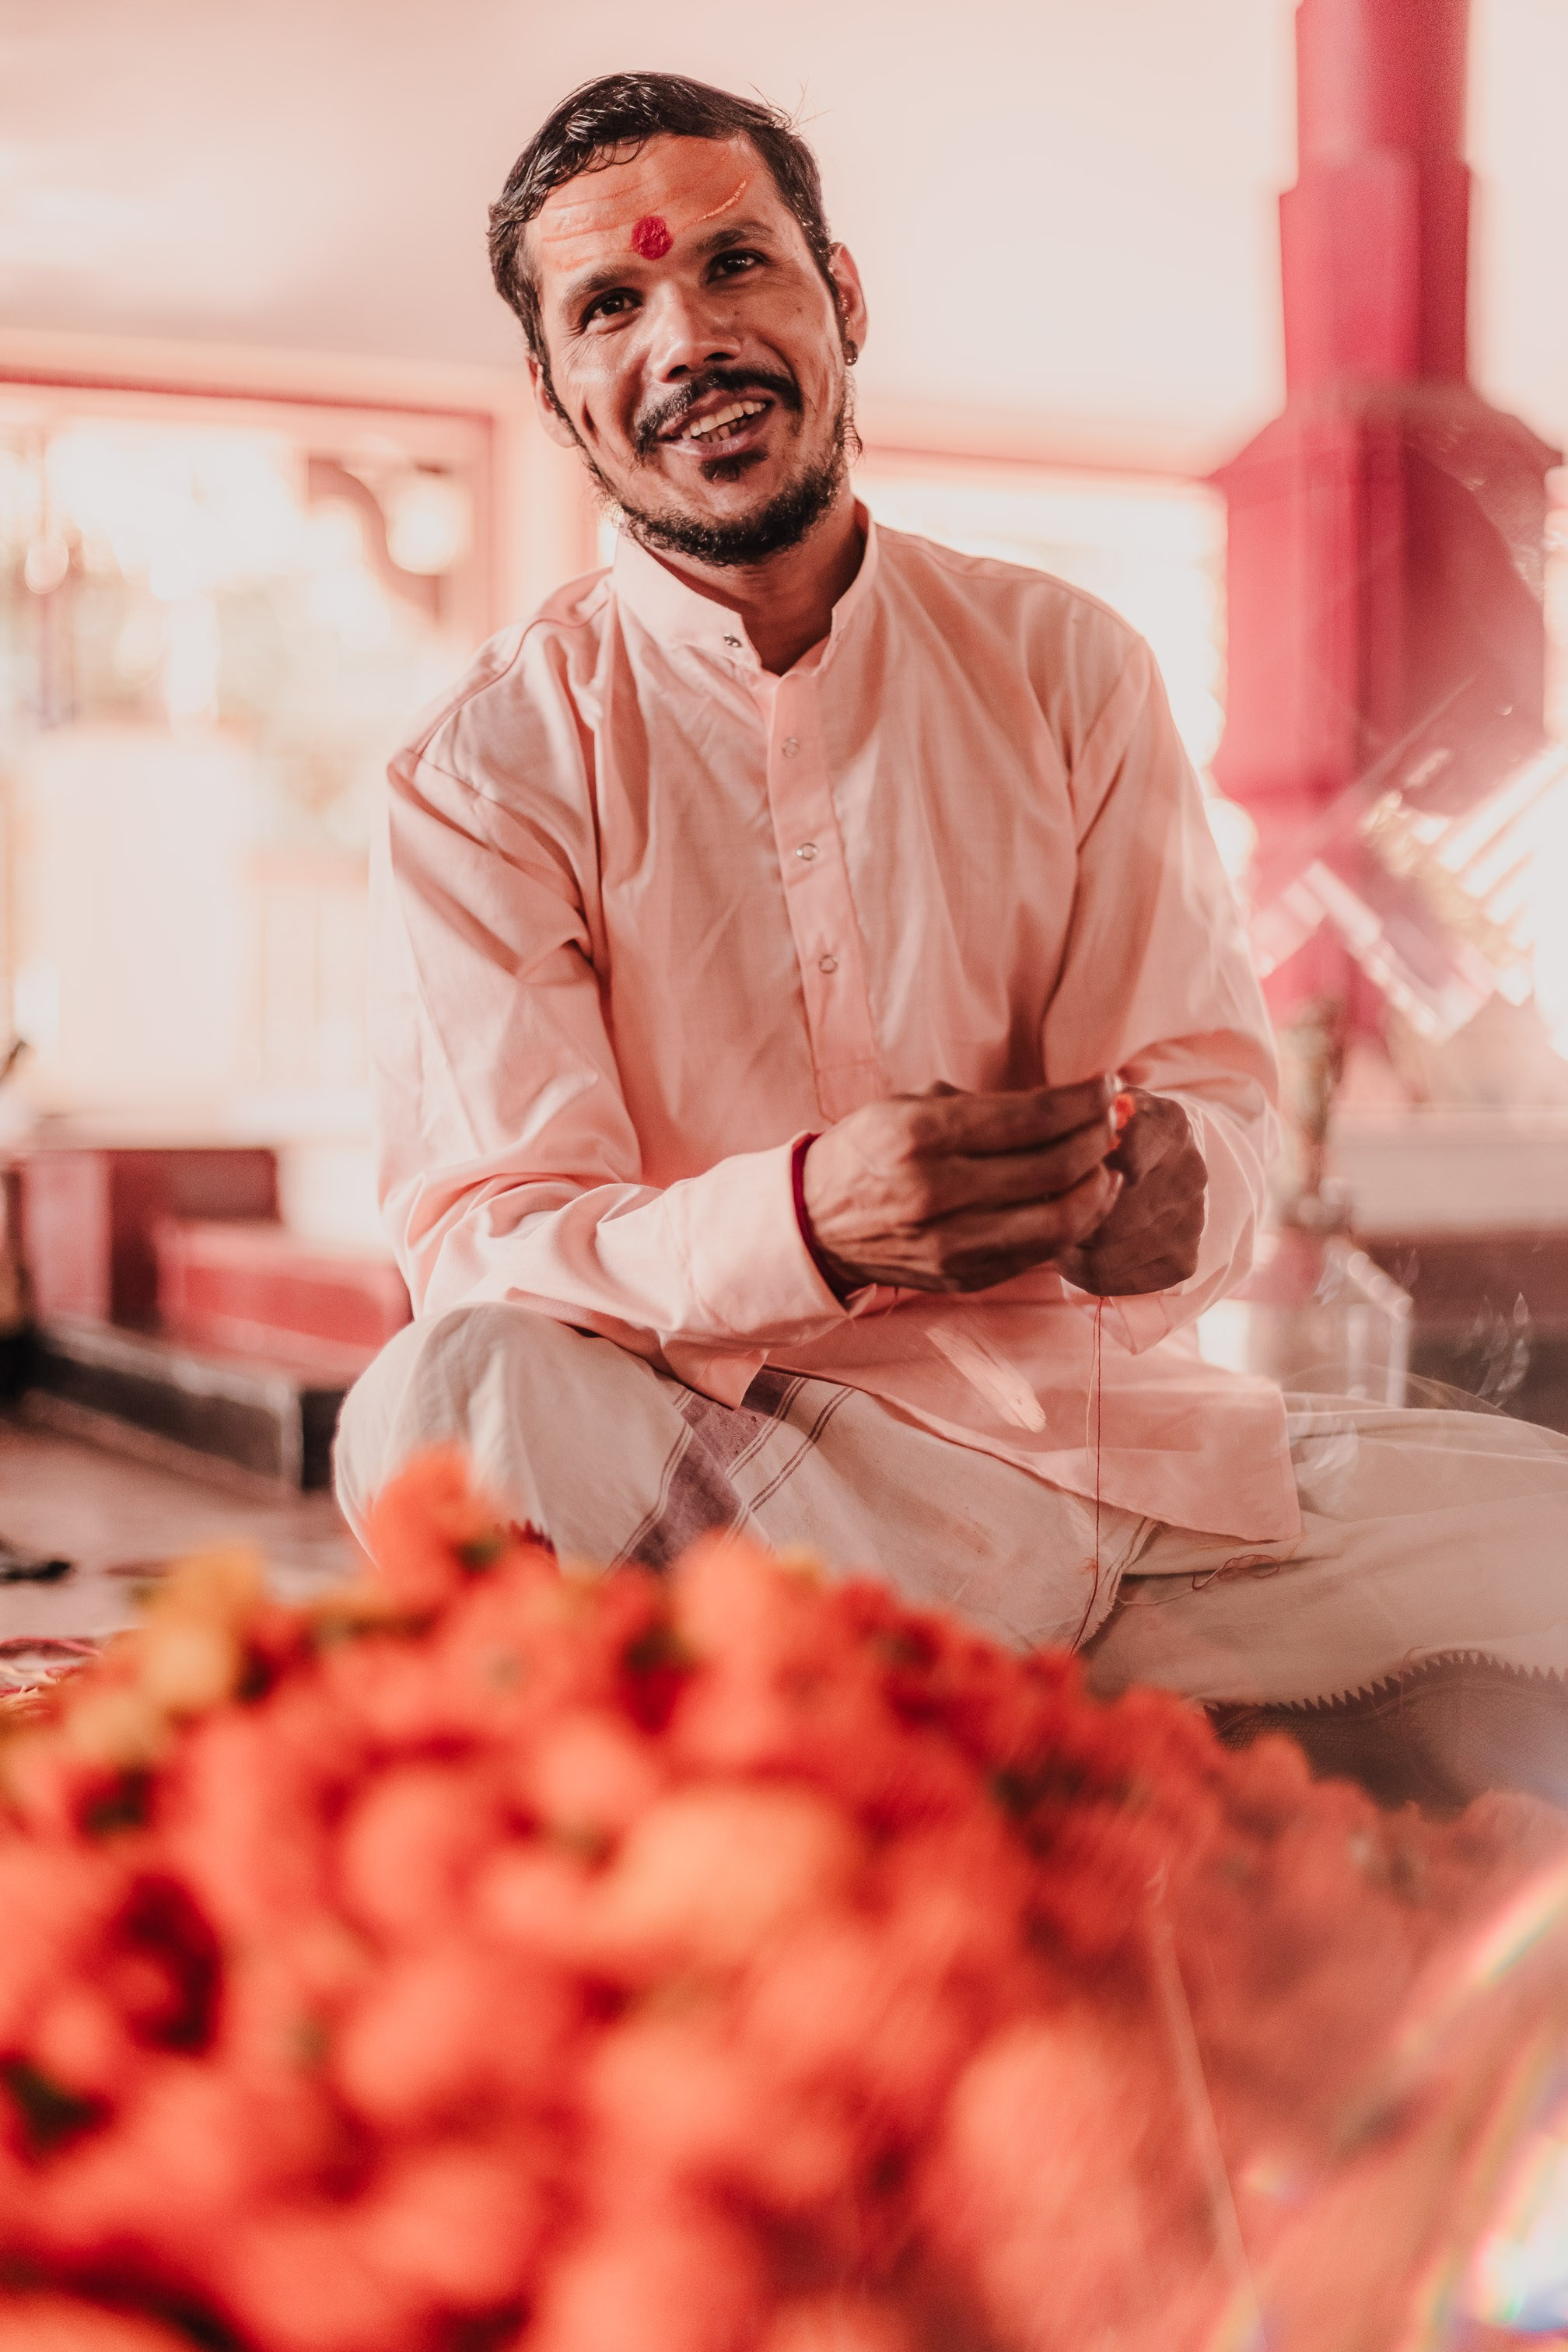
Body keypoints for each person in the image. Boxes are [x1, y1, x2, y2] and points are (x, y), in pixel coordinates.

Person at [337, 71, 1568, 1811]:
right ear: (554, 392)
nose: (686, 336)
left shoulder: (1068, 668)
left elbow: (1207, 1102)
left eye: (736, 267)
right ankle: (1065, 1750)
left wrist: (1173, 1203)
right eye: (613, 303)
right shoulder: (486, 769)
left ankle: (975, 1753)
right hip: (757, 1497)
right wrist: (810, 1225)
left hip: (1123, 1485)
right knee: (442, 1401)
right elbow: (493, 1250)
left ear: (840, 295)